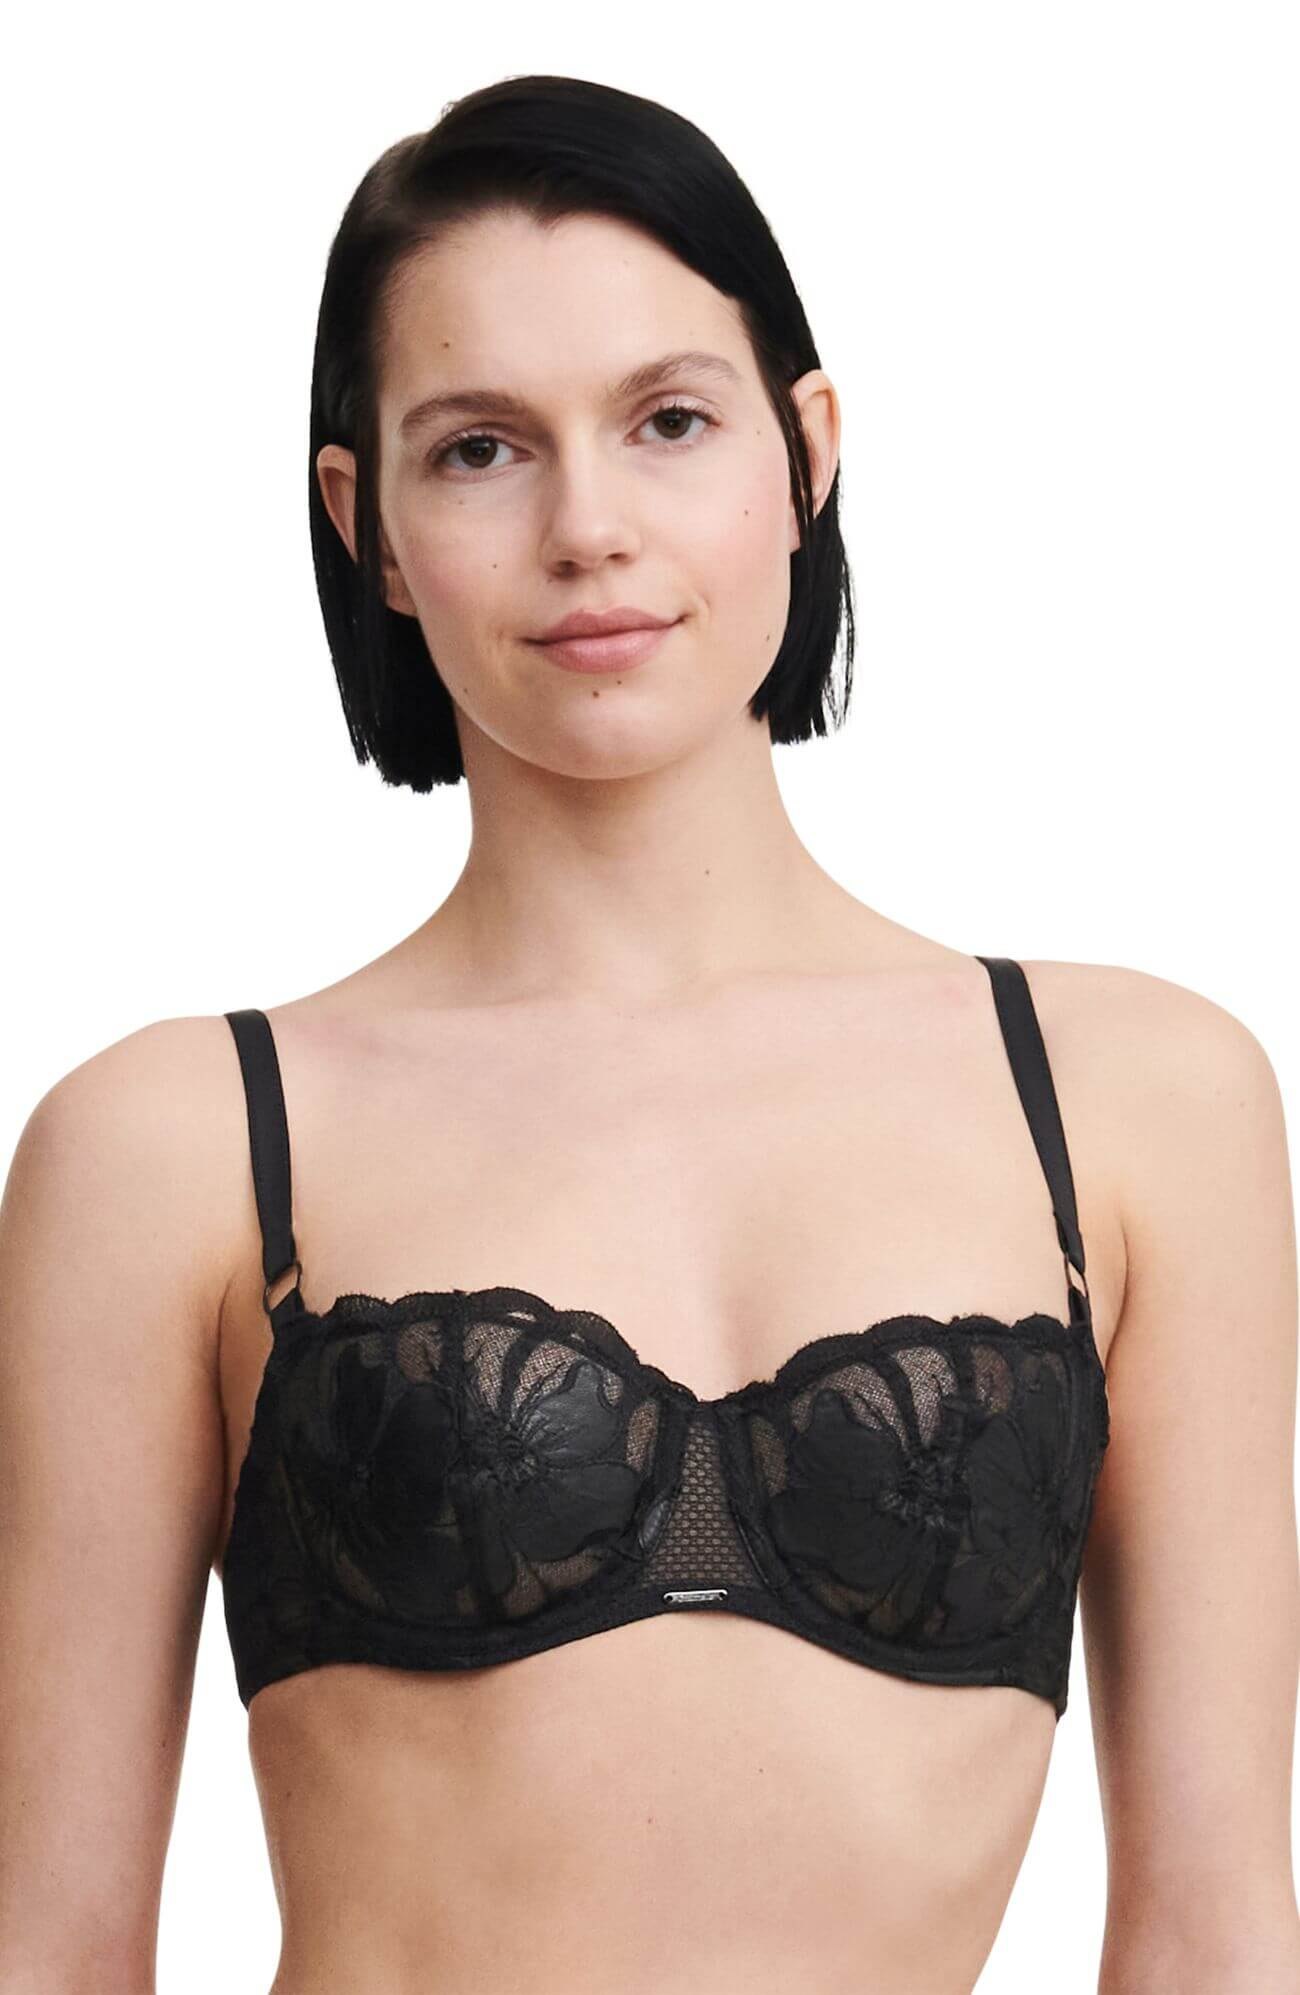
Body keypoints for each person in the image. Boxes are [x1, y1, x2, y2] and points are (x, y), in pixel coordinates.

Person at [2, 72, 1297, 1995]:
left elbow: (1215, 1932)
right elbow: (48, 1947)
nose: (589, 528)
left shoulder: (1138, 1104)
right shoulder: (175, 1142)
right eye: (479, 449)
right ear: (366, 522)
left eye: (669, 421)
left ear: (808, 451)